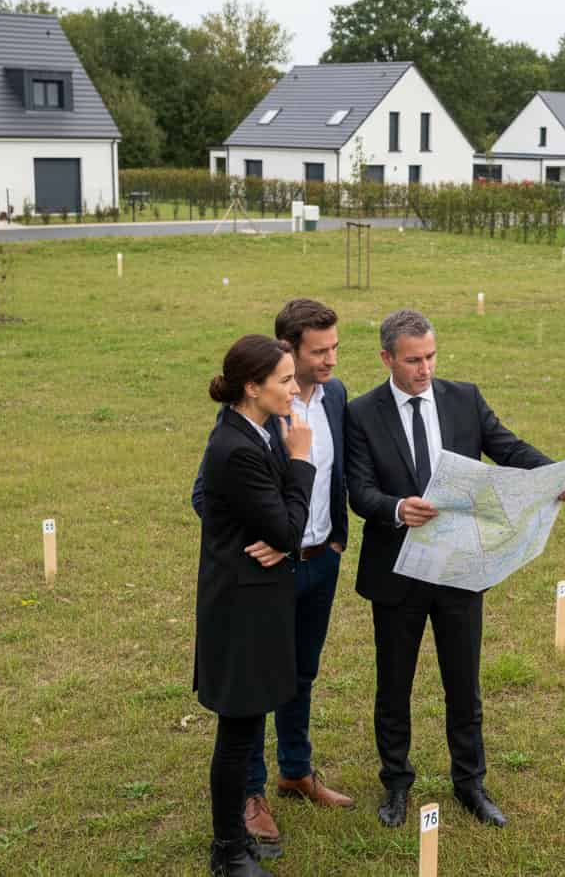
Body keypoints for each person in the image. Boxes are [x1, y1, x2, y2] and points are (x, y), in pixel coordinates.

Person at [345, 308, 565, 829]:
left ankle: (470, 784)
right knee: (394, 685)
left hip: (460, 569)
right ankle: (396, 784)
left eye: (430, 356)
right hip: (397, 572)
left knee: (464, 682)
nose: (424, 368)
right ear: (387, 358)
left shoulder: (464, 398)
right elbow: (358, 489)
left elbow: (507, 447)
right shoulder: (362, 413)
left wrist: (555, 475)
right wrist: (395, 508)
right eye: (413, 360)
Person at [192, 300, 352, 848]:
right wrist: (250, 541)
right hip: (268, 574)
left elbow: (339, 476)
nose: (330, 359)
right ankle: (251, 794)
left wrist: (331, 540)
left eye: (335, 348)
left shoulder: (338, 398)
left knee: (298, 675)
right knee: (255, 687)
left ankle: (296, 770)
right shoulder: (255, 422)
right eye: (318, 351)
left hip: (318, 562)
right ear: (290, 351)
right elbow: (208, 496)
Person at [194, 334, 314, 877]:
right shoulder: (239, 447)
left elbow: (273, 524)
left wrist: (279, 533)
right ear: (252, 387)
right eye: (286, 380)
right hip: (240, 612)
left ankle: (233, 841)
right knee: (238, 733)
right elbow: (288, 526)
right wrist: (301, 460)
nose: (295, 388)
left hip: (254, 601)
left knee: (245, 727)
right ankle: (228, 852)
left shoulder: (252, 430)